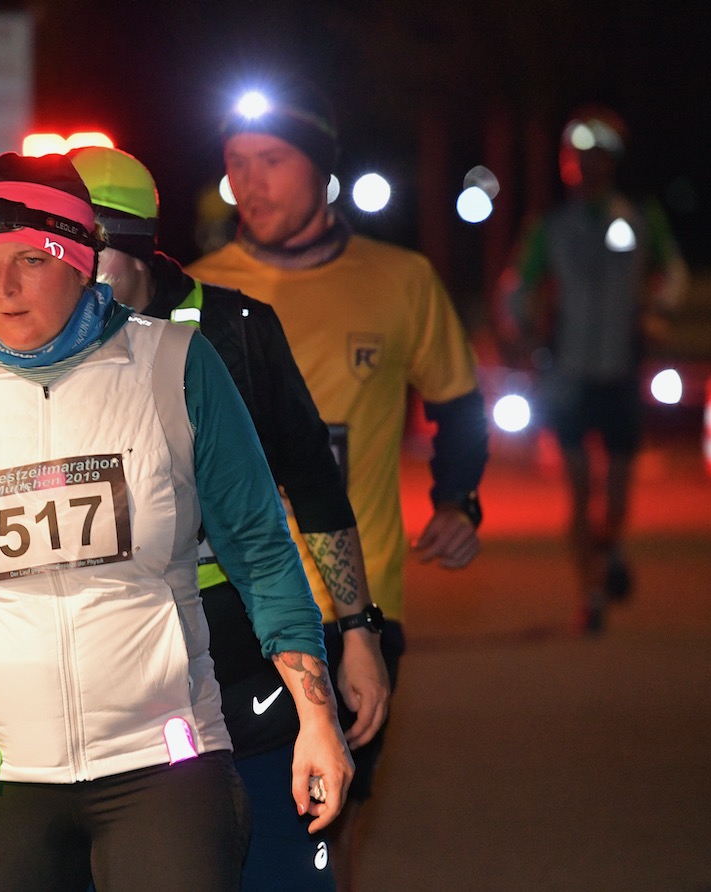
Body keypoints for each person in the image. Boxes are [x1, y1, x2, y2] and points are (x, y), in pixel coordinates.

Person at [0, 151, 353, 892]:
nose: (2, 287)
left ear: (82, 264)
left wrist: (316, 716)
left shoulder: (176, 365)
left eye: (30, 261)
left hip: (161, 765)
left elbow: (262, 551)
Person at [187, 78, 489, 891]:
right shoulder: (194, 292)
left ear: (323, 170)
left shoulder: (400, 280)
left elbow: (459, 406)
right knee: (212, 823)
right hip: (228, 601)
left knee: (328, 820)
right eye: (236, 162)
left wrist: (459, 499)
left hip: (351, 609)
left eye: (273, 161)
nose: (250, 182)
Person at [67, 144, 388, 891]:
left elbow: (313, 483)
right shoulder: (51, 347)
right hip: (113, 675)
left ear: (139, 246)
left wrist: (360, 632)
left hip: (244, 658)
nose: (69, 280)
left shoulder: (237, 331)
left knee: (279, 868)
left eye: (87, 254)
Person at [501, 105, 687, 633]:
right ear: (566, 163)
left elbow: (669, 270)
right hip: (569, 373)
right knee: (580, 487)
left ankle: (612, 546)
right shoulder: (551, 226)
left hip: (621, 368)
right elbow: (519, 285)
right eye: (578, 156)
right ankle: (591, 592)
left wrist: (659, 312)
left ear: (613, 161)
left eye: (598, 156)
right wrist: (522, 331)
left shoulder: (638, 216)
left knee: (621, 487)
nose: (587, 166)